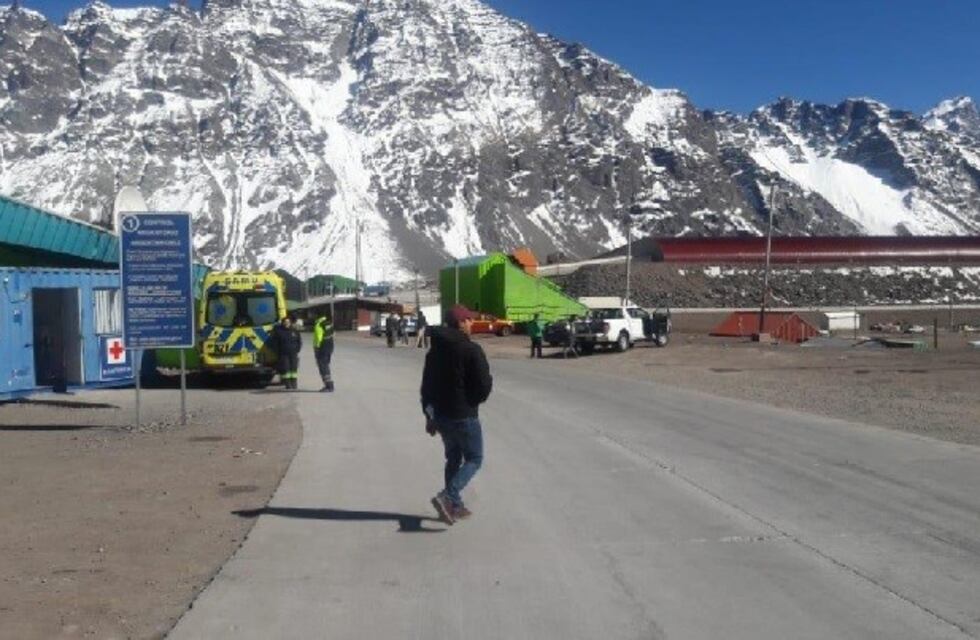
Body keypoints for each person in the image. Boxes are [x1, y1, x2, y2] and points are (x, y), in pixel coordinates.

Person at [421, 305, 493, 525]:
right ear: (460, 323)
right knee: (474, 458)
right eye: (468, 320)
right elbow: (483, 385)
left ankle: (454, 505)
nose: (471, 323)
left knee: (453, 457)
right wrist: (473, 401)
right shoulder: (471, 349)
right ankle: (448, 495)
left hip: (441, 416)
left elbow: (427, 386)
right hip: (463, 415)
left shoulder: (435, 350)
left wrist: (429, 415)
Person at [272, 316, 302, 389]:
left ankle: (294, 384)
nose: (286, 324)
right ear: (282, 323)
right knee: (286, 369)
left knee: (294, 368)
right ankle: (288, 384)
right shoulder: (279, 332)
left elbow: (299, 341)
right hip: (283, 354)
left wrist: (297, 349)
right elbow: (275, 344)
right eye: (285, 322)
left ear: (290, 323)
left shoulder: (295, 331)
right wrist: (278, 352)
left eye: (288, 322)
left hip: (293, 353)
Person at [313, 314, 335, 392]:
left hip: (322, 348)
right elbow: (333, 334)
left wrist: (317, 349)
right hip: (330, 347)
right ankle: (329, 385)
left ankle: (328, 386)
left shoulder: (319, 325)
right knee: (326, 365)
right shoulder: (328, 323)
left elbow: (319, 338)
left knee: (323, 367)